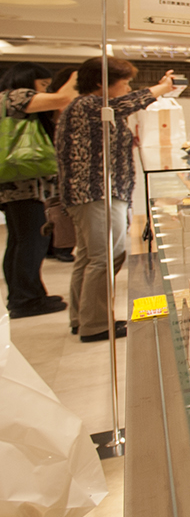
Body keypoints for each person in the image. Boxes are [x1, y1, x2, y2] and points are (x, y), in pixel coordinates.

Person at [56, 57, 177, 342]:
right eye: (124, 82)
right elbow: (128, 104)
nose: (128, 88)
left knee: (89, 257)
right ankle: (96, 324)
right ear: (102, 83)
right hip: (96, 192)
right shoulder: (89, 105)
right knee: (105, 258)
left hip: (90, 193)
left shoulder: (85, 108)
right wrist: (163, 88)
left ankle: (81, 318)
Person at [0, 62, 77, 318]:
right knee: (32, 240)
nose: (45, 90)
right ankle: (26, 299)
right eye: (43, 85)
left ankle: (25, 294)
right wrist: (75, 77)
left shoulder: (8, 100)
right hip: (25, 182)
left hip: (18, 181)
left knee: (20, 240)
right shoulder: (17, 96)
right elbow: (63, 99)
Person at [42, 65, 79, 263]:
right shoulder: (55, 105)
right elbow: (63, 101)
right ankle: (60, 244)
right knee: (58, 204)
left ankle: (57, 245)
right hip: (51, 166)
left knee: (55, 203)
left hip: (52, 165)